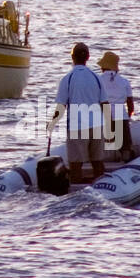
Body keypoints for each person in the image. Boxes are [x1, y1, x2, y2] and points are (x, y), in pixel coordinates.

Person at [47, 42, 105, 183]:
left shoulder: (67, 79)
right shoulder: (96, 78)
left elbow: (61, 106)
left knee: (76, 164)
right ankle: (102, 188)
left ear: (72, 57)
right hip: (97, 125)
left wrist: (52, 123)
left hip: (77, 127)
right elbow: (105, 104)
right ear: (88, 57)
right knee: (97, 162)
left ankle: (76, 193)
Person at [97, 50, 135, 161]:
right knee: (125, 147)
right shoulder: (124, 81)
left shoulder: (98, 80)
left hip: (103, 115)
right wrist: (127, 117)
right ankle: (126, 160)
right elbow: (130, 105)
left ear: (103, 67)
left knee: (108, 145)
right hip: (120, 114)